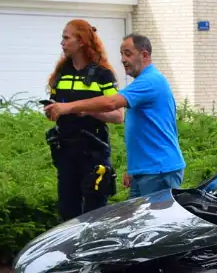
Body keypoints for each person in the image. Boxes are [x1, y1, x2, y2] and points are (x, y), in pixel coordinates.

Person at [44, 34, 186, 199]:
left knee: (155, 224)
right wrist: (134, 169)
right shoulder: (144, 82)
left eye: (128, 53)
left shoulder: (150, 81)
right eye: (121, 54)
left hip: (159, 172)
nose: (123, 59)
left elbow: (111, 103)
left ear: (145, 55)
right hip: (146, 171)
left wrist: (67, 107)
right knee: (137, 225)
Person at [44, 19, 124, 221]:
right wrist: (52, 110)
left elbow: (117, 116)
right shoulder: (61, 74)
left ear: (81, 41)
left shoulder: (102, 75)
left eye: (66, 37)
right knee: (67, 213)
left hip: (93, 153)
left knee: (94, 216)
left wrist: (87, 110)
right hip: (66, 152)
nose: (62, 43)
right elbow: (57, 106)